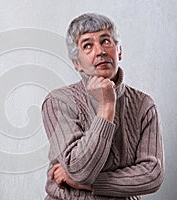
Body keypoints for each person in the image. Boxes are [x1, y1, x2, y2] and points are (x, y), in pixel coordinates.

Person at [41, 13, 164, 200]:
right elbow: (79, 169)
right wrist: (107, 105)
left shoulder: (144, 104)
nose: (100, 51)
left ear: (119, 51)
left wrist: (88, 184)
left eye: (106, 41)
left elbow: (152, 175)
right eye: (87, 45)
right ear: (77, 63)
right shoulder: (58, 101)